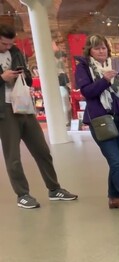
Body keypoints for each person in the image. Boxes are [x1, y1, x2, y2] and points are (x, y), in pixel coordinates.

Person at [0, 25, 78, 209]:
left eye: (10, 44)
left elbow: (27, 75)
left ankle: (54, 188)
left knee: (42, 150)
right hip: (4, 109)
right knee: (13, 156)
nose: (6, 47)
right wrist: (2, 78)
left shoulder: (16, 52)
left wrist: (23, 76)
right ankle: (23, 194)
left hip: (23, 105)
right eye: (3, 43)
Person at [75, 34, 119, 217]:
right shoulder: (83, 68)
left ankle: (113, 198)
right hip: (101, 121)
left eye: (103, 47)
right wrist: (104, 80)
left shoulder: (115, 65)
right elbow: (87, 92)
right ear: (89, 50)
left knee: (117, 162)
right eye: (97, 48)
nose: (101, 51)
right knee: (115, 161)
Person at [55, 50, 72, 126]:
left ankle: (66, 120)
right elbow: (64, 79)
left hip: (61, 88)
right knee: (65, 105)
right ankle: (66, 121)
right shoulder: (60, 66)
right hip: (62, 88)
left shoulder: (57, 66)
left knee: (65, 105)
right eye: (64, 57)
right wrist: (70, 86)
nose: (65, 59)